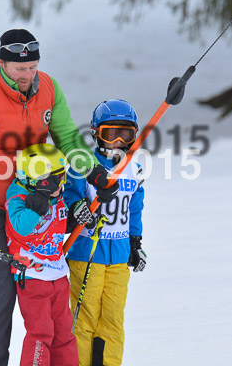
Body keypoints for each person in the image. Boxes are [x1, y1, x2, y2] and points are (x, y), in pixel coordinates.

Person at [0, 28, 119, 366]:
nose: (27, 76)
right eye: (19, 69)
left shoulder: (49, 89)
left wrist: (95, 173)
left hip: (38, 199)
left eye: (32, 68)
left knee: (46, 289)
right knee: (2, 287)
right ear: (2, 63)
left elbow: (69, 138)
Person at [64, 99, 147, 366]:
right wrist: (79, 209)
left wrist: (135, 243)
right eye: (111, 134)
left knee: (113, 319)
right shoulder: (84, 164)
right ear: (96, 133)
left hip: (120, 256)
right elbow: (70, 194)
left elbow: (135, 207)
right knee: (85, 318)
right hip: (87, 254)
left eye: (126, 135)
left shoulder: (134, 168)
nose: (118, 142)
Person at [4, 143, 79, 366]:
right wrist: (39, 202)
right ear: (37, 179)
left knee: (64, 332)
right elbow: (22, 227)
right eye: (55, 179)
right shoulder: (18, 197)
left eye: (62, 176)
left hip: (57, 275)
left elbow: (63, 224)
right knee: (41, 332)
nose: (61, 183)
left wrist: (79, 216)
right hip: (32, 276)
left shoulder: (57, 197)